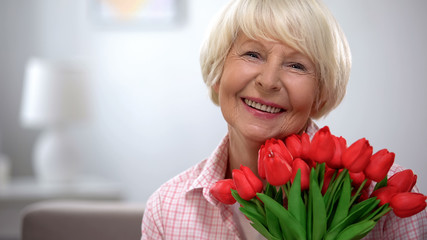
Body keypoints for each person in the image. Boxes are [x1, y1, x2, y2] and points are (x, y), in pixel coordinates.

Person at [141, 0, 426, 239]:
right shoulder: (167, 207)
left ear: (321, 93)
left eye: (296, 65)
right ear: (218, 73)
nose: (268, 81)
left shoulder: (382, 195)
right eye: (252, 54)